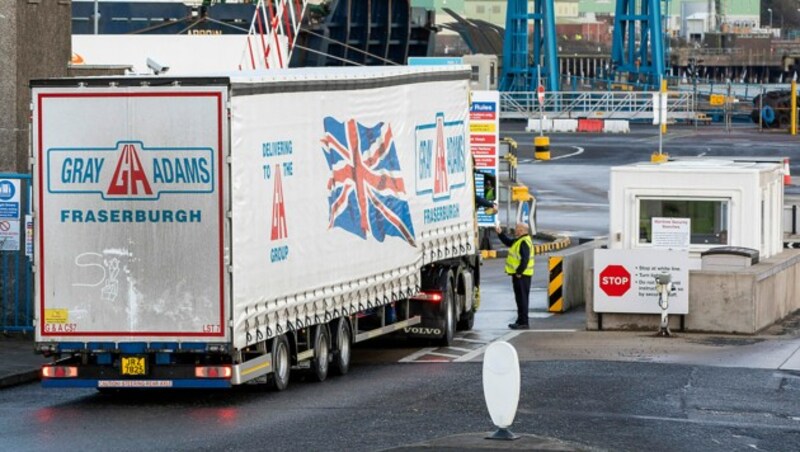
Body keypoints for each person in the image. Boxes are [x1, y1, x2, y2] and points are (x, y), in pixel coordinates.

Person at [495, 223, 534, 329]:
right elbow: (509, 242)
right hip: (521, 275)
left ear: (522, 230)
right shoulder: (520, 240)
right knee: (520, 299)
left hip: (522, 275)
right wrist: (500, 233)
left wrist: (519, 272)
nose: (515, 230)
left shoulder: (524, 242)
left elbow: (524, 260)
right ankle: (520, 320)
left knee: (522, 299)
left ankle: (524, 322)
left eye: (517, 229)